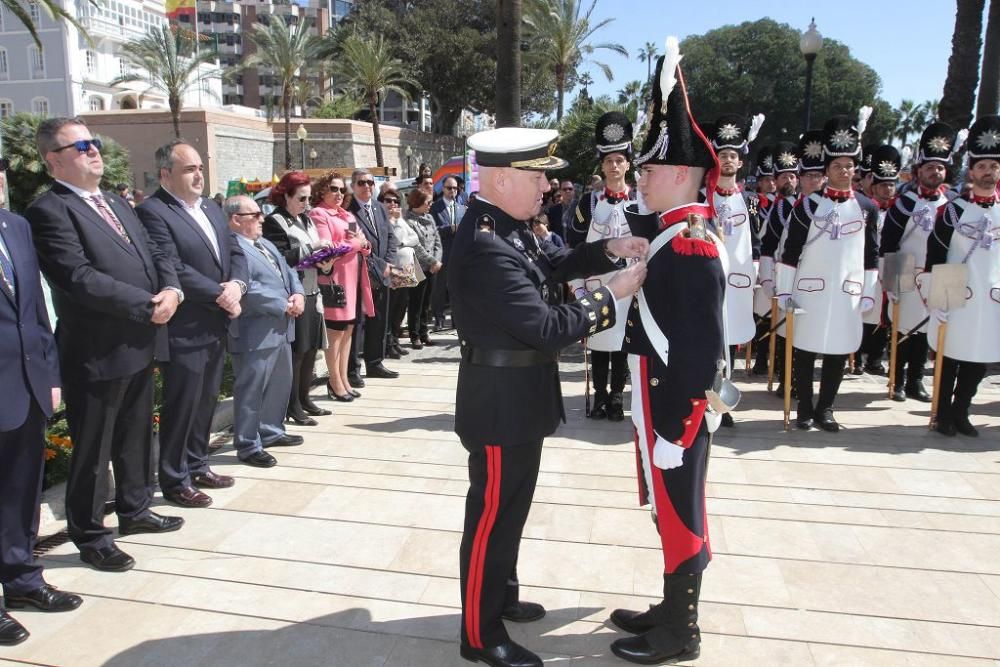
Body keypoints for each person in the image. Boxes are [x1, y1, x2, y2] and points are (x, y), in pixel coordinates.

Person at [450, 126, 648, 667]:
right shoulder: (485, 245)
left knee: (511, 510)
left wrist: (609, 250)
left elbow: (556, 262)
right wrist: (612, 294)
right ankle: (478, 632)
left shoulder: (512, 228)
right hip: (499, 403)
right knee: (492, 517)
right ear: (498, 178)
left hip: (522, 395)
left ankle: (501, 597)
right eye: (536, 176)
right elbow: (544, 326)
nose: (546, 185)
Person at [610, 40, 725, 666]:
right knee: (665, 505)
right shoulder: (673, 230)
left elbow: (702, 347)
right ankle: (669, 606)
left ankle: (682, 633)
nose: (640, 180)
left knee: (682, 510)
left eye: (649, 171)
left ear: (680, 174)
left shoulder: (691, 242)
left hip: (675, 405)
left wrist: (679, 428)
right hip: (657, 398)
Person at [26, 116, 184, 572]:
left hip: (140, 339)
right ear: (54, 159)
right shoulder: (49, 211)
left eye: (94, 143)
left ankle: (134, 511)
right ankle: (92, 534)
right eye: (81, 147)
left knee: (136, 434)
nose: (94, 151)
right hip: (95, 351)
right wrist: (146, 303)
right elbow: (78, 278)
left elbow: (154, 253)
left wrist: (171, 290)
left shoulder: (115, 201)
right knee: (94, 449)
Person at [137, 139, 250, 509]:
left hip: (216, 323)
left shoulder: (213, 208)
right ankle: (174, 478)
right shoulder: (153, 211)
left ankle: (199, 464)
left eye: (200, 167)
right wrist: (220, 294)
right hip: (185, 326)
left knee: (205, 400)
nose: (199, 174)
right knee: (181, 403)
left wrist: (237, 285)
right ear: (166, 174)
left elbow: (235, 251)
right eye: (189, 169)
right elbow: (170, 266)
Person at [1, 196, 83, 646]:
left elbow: (35, 309)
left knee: (20, 492)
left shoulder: (15, 227)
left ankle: (23, 579)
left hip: (25, 384)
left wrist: (48, 373)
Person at [777, 111, 880, 433]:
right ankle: (805, 409)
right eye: (837, 166)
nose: (844, 171)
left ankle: (827, 409)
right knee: (805, 350)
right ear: (826, 170)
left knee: (838, 352)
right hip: (810, 290)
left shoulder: (867, 207)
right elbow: (791, 251)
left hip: (848, 291)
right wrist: (784, 290)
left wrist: (868, 292)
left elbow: (871, 253)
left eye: (849, 166)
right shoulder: (807, 205)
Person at [924, 114, 1000, 437]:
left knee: (978, 357)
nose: (988, 172)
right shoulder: (952, 210)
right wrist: (936, 296)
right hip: (955, 291)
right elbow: (936, 254)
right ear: (971, 171)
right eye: (982, 166)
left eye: (994, 166)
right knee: (951, 355)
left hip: (992, 294)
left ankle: (961, 410)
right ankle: (942, 415)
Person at [226, 196, 306, 467]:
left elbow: (289, 271)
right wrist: (283, 304)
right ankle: (248, 444)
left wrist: (298, 294)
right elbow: (246, 288)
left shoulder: (265, 244)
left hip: (281, 328)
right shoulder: (232, 248)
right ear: (236, 220)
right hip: (255, 331)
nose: (263, 218)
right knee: (251, 389)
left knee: (278, 384)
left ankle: (271, 431)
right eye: (256, 214)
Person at [881, 122, 957, 402]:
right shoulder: (904, 203)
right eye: (929, 168)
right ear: (919, 171)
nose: (934, 172)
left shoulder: (954, 204)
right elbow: (889, 243)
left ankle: (916, 380)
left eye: (939, 168)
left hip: (941, 273)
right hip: (905, 271)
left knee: (929, 330)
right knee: (903, 328)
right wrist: (890, 282)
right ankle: (898, 380)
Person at [570, 111, 638, 422]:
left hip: (629, 285)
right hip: (597, 285)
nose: (614, 166)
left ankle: (615, 399)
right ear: (602, 164)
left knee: (622, 343)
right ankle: (598, 397)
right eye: (608, 161)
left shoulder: (640, 203)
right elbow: (574, 246)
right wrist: (577, 285)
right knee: (598, 342)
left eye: (619, 160)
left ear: (627, 164)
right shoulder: (588, 204)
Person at [704, 113, 765, 425]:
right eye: (722, 155)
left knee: (730, 342)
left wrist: (754, 272)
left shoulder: (751, 201)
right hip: (709, 277)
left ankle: (724, 400)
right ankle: (707, 399)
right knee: (708, 339)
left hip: (739, 281)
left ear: (741, 162)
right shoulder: (703, 197)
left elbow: (756, 241)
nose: (727, 160)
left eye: (733, 156)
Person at [263, 171, 332, 425]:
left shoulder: (306, 219)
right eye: (301, 199)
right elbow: (279, 259)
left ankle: (304, 399)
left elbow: (313, 254)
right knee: (297, 353)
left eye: (309, 198)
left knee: (312, 349)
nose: (307, 204)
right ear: (286, 196)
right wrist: (312, 249)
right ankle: (291, 404)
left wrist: (327, 261)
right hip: (293, 293)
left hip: (313, 290)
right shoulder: (274, 221)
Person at [309, 172, 374, 402]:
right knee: (335, 334)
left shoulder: (347, 214)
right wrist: (355, 243)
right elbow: (328, 248)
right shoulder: (319, 213)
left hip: (355, 279)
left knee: (348, 332)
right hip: (335, 282)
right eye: (333, 189)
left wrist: (362, 245)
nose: (339, 194)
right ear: (322, 191)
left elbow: (364, 243)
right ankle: (334, 381)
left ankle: (344, 378)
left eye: (341, 190)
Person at [757, 140, 801, 393]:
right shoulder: (776, 208)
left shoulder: (806, 204)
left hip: (803, 276)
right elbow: (768, 243)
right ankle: (780, 374)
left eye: (792, 176)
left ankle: (795, 378)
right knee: (779, 326)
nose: (789, 182)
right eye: (783, 176)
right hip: (780, 272)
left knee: (798, 330)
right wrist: (766, 276)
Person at [854, 144, 902, 376]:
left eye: (891, 185)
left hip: (893, 262)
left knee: (887, 314)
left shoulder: (900, 208)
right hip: (869, 263)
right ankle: (855, 357)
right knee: (864, 310)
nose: (888, 189)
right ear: (874, 186)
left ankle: (876, 358)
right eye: (883, 185)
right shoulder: (865, 207)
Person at [347, 168, 399, 381]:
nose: (367, 186)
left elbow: (391, 238)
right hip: (361, 274)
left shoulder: (379, 207)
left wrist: (388, 263)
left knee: (379, 320)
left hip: (382, 273)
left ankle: (375, 362)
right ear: (353, 186)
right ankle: (353, 369)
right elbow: (355, 245)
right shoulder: (348, 211)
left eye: (370, 182)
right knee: (358, 324)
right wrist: (379, 266)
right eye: (361, 183)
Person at [383, 187, 420, 356]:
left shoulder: (400, 220)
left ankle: (395, 340)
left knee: (400, 307)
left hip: (406, 269)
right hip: (393, 269)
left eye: (396, 201)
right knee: (391, 308)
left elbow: (414, 238)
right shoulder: (387, 220)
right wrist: (397, 223)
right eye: (388, 201)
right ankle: (388, 343)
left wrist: (403, 242)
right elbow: (395, 239)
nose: (392, 204)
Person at [403, 188, 442, 349]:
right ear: (418, 202)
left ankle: (425, 332)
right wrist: (432, 261)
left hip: (433, 267)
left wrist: (437, 261)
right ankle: (415, 335)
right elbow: (416, 246)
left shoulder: (430, 218)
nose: (430, 205)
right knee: (416, 303)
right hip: (418, 267)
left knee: (427, 302)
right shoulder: (408, 222)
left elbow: (437, 241)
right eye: (427, 202)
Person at [429, 176, 466, 330]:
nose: (453, 191)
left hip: (457, 255)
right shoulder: (434, 208)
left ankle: (457, 320)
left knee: (456, 288)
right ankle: (438, 319)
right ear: (443, 189)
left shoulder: (462, 209)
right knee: (439, 288)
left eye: (455, 188)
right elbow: (431, 231)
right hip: (441, 254)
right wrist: (449, 229)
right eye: (449, 188)